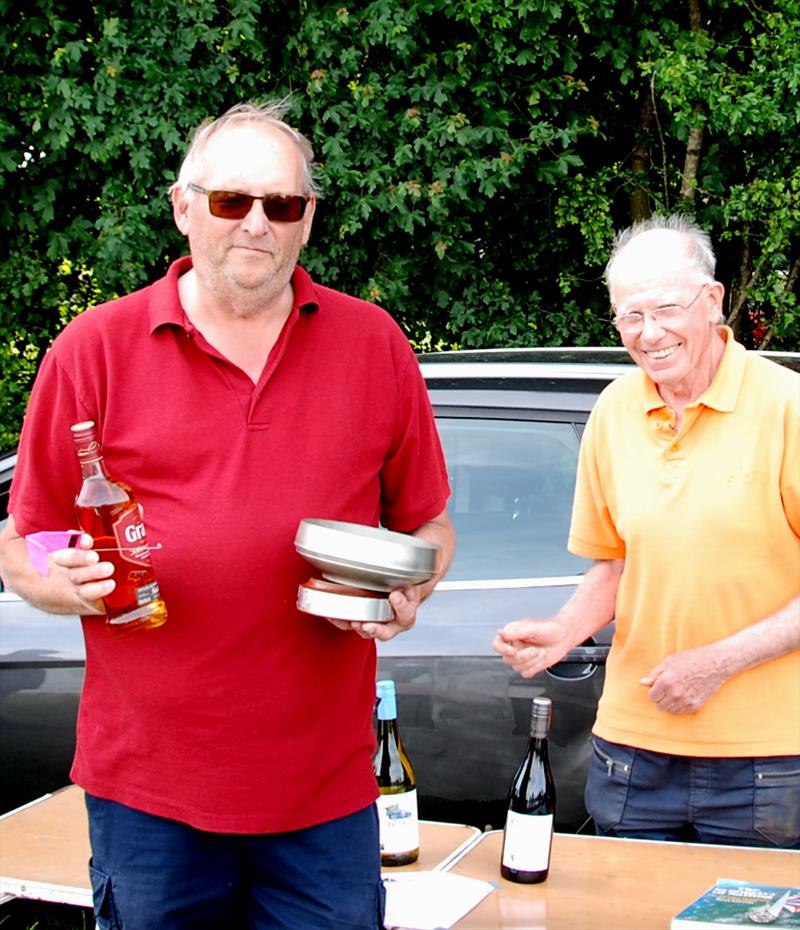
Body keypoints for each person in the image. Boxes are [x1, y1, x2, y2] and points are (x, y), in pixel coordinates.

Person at [0, 99, 455, 929]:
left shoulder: (375, 344)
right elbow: (22, 541)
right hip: (150, 793)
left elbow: (429, 525)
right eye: (230, 202)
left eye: (281, 205)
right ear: (184, 207)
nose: (256, 225)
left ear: (308, 219)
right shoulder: (94, 349)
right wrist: (56, 585)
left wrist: (411, 590)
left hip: (323, 793)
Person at [493, 214, 799, 848]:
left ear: (713, 302)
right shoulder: (614, 410)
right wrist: (561, 632)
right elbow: (615, 565)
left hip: (769, 762)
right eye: (630, 316)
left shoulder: (788, 408)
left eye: (667, 308)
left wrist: (718, 662)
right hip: (631, 753)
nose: (650, 333)